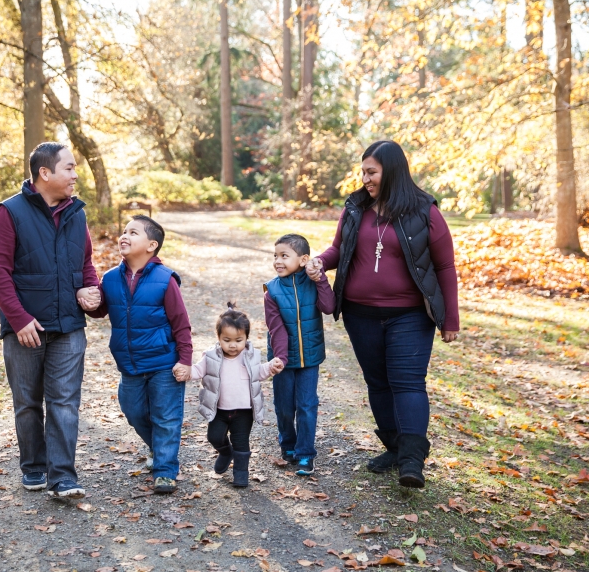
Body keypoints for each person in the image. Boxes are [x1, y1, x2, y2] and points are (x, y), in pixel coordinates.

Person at [309, 140, 459, 489]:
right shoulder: (355, 209)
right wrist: (319, 261)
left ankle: (411, 461)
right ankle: (394, 448)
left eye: (371, 172)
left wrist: (450, 318)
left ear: (390, 171)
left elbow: (445, 266)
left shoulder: (425, 211)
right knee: (377, 383)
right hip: (360, 315)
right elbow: (338, 250)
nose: (365, 179)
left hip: (409, 315)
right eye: (363, 172)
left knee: (407, 383)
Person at [0, 142, 101, 498]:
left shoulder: (77, 214)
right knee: (28, 403)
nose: (75, 174)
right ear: (45, 174)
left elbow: (85, 264)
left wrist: (90, 291)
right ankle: (34, 466)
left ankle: (63, 476)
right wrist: (19, 320)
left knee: (65, 402)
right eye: (69, 168)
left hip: (69, 325)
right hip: (25, 329)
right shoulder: (8, 213)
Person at [86, 215, 192, 494]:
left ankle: (165, 470)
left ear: (151, 245)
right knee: (133, 410)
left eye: (133, 232)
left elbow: (181, 323)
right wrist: (86, 301)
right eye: (124, 231)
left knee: (166, 416)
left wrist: (185, 360)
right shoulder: (110, 278)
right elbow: (99, 310)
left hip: (164, 362)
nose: (124, 235)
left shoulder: (164, 279)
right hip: (130, 363)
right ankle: (159, 449)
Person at [181, 304, 284, 487]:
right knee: (214, 436)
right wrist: (186, 371)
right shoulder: (211, 357)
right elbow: (198, 370)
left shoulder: (250, 357)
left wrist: (271, 367)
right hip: (219, 409)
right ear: (219, 338)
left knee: (241, 443)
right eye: (227, 339)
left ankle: (241, 473)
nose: (233, 345)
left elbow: (259, 372)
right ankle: (225, 452)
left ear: (246, 338)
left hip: (243, 411)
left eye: (238, 340)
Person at [264, 234, 335, 476]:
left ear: (304, 259)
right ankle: (288, 445)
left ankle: (305, 453)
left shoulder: (314, 281)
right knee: (284, 407)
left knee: (306, 405)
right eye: (276, 256)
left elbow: (329, 307)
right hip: (282, 360)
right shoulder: (271, 291)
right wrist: (281, 359)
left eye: (284, 256)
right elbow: (276, 328)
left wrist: (321, 279)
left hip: (310, 359)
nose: (278, 261)